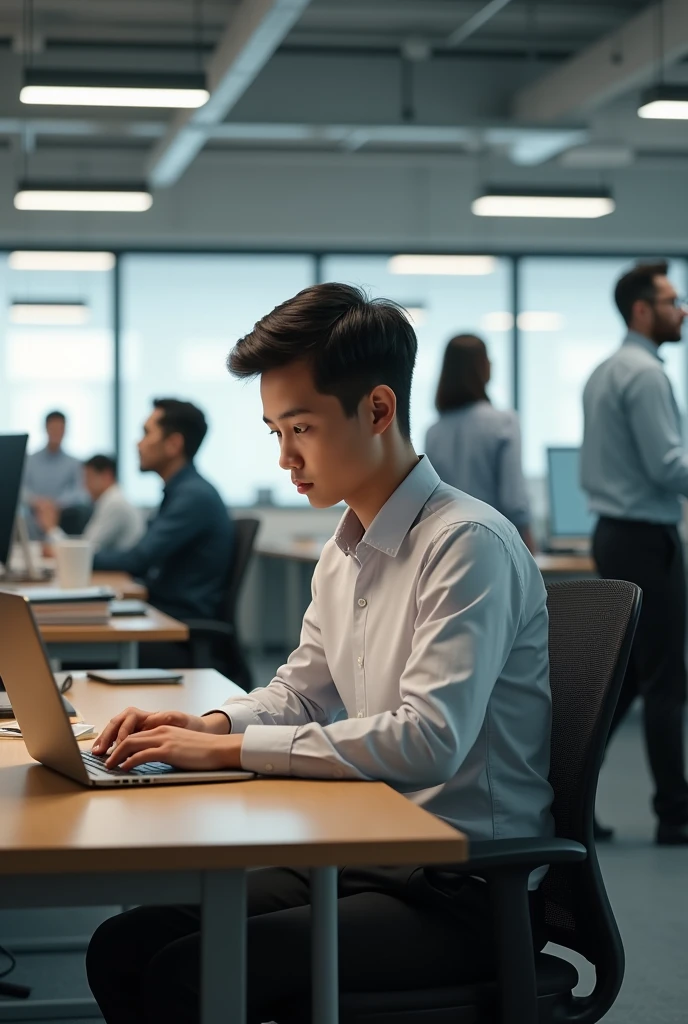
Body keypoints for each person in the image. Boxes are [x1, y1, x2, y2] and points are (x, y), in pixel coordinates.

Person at [85, 284, 554, 1024]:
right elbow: (299, 693)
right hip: (363, 853)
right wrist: (211, 725)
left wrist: (237, 754)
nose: (285, 458)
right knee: (124, 942)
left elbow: (428, 740)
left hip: (458, 885)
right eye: (274, 431)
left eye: (299, 428)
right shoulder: (344, 549)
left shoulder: (467, 544)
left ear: (377, 409)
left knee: (186, 975)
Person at [581, 261, 688, 846]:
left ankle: (567, 790)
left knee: (629, 679)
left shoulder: (605, 370)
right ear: (643, 310)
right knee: (667, 677)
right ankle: (676, 813)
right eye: (673, 301)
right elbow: (666, 465)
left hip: (616, 534)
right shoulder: (645, 374)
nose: (683, 310)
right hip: (646, 538)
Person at [93, 400, 234, 628]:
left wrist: (77, 559)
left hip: (179, 626)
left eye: (147, 433)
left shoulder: (193, 497)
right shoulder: (181, 492)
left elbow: (138, 559)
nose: (138, 444)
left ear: (173, 444)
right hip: (164, 614)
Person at [425, 334, 535, 553]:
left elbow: (430, 500)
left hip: (447, 548)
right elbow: (514, 501)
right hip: (495, 546)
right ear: (483, 367)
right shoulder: (504, 423)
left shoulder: (433, 432)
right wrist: (531, 548)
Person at [35, 455, 143, 553]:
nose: (84, 485)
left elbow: (85, 551)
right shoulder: (111, 500)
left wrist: (51, 529)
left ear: (107, 476)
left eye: (88, 478)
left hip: (124, 573)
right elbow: (86, 543)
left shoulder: (114, 503)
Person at [23, 411, 90, 532]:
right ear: (46, 429)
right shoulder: (29, 460)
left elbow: (81, 491)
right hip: (33, 517)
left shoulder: (74, 463)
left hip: (64, 518)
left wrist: (56, 504)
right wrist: (38, 502)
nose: (56, 432)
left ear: (65, 430)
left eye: (60, 428)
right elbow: (21, 489)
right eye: (52, 428)